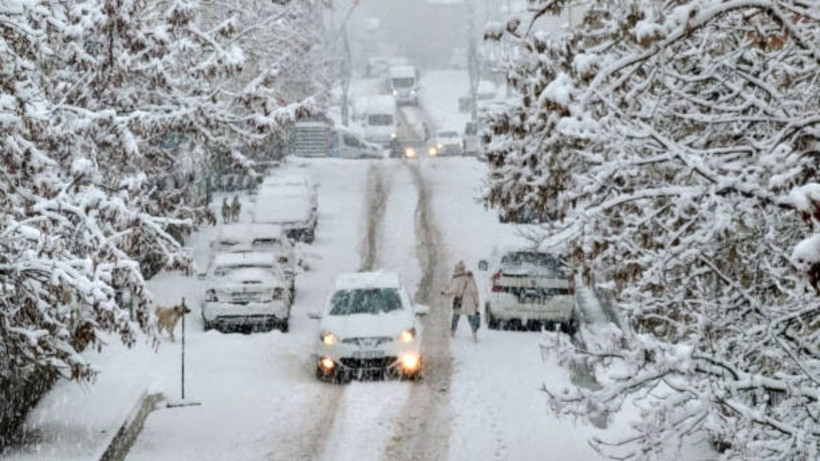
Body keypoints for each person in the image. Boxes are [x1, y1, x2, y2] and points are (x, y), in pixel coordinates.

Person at [442, 260, 480, 342]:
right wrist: (476, 302)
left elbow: (453, 290)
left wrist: (445, 292)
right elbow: (475, 291)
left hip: (460, 302)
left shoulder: (456, 279)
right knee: (471, 318)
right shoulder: (470, 278)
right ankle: (474, 335)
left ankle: (452, 332)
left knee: (455, 317)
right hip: (470, 302)